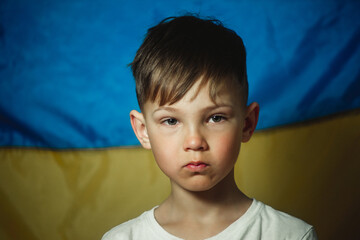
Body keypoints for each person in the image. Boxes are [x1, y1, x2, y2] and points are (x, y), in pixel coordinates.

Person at [102, 14, 318, 240]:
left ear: (247, 123)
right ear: (143, 131)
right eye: (171, 121)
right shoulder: (122, 238)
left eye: (215, 118)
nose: (195, 141)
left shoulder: (291, 236)